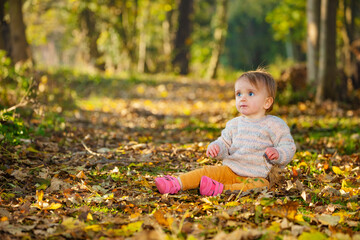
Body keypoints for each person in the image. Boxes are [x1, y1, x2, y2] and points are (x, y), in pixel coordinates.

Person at [155, 69, 296, 196]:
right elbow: (224, 143)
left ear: (267, 102)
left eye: (250, 93)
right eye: (238, 94)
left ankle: (220, 189)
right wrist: (217, 148)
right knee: (207, 171)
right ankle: (176, 183)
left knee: (260, 186)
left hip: (258, 176)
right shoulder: (234, 124)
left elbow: (288, 146)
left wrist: (278, 154)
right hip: (230, 170)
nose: (243, 98)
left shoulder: (275, 125)